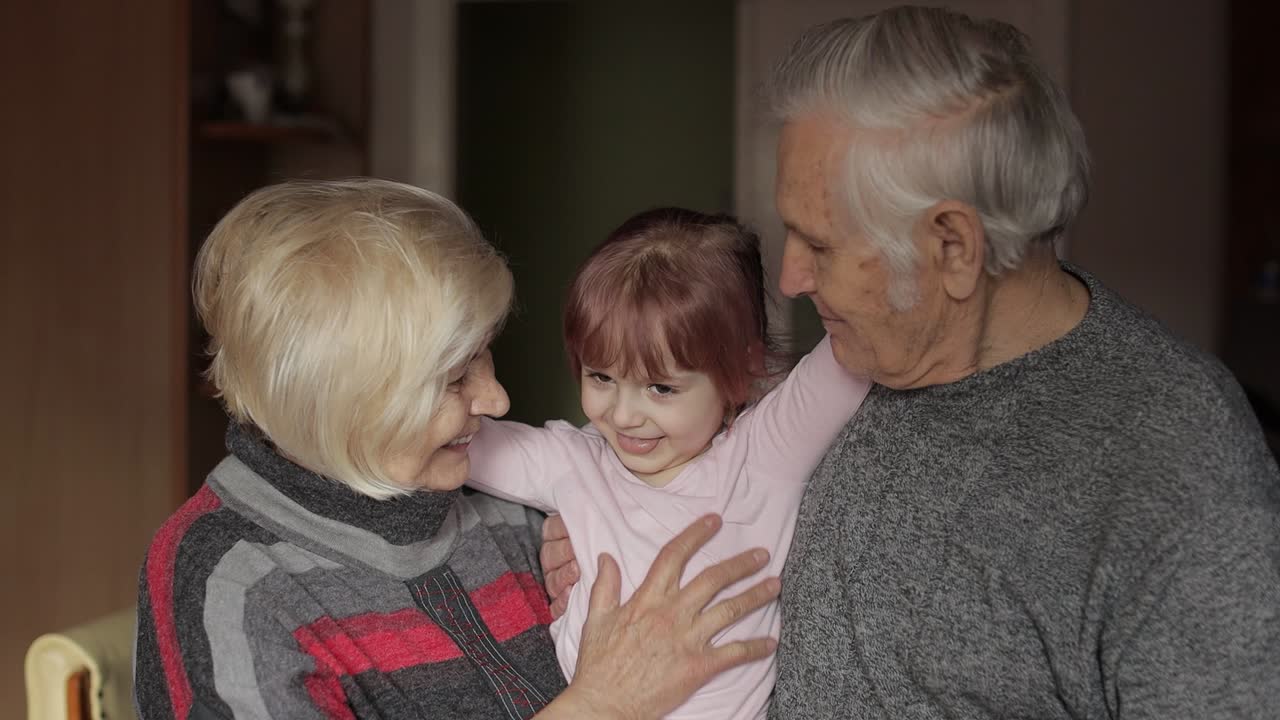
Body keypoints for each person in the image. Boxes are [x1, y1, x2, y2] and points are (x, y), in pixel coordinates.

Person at [541, 6, 1280, 718]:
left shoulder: (1179, 472)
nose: (791, 278)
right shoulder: (862, 357)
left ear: (952, 247)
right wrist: (614, 517)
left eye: (821, 245)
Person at [133, 179, 782, 720]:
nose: (498, 400)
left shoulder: (507, 509)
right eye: (454, 377)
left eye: (485, 355)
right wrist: (601, 705)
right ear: (346, 399)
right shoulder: (231, 579)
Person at [463, 208, 870, 719]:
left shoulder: (763, 454)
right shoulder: (572, 462)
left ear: (742, 373)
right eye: (601, 377)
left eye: (661, 387)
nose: (625, 415)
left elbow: (862, 337)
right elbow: (445, 433)